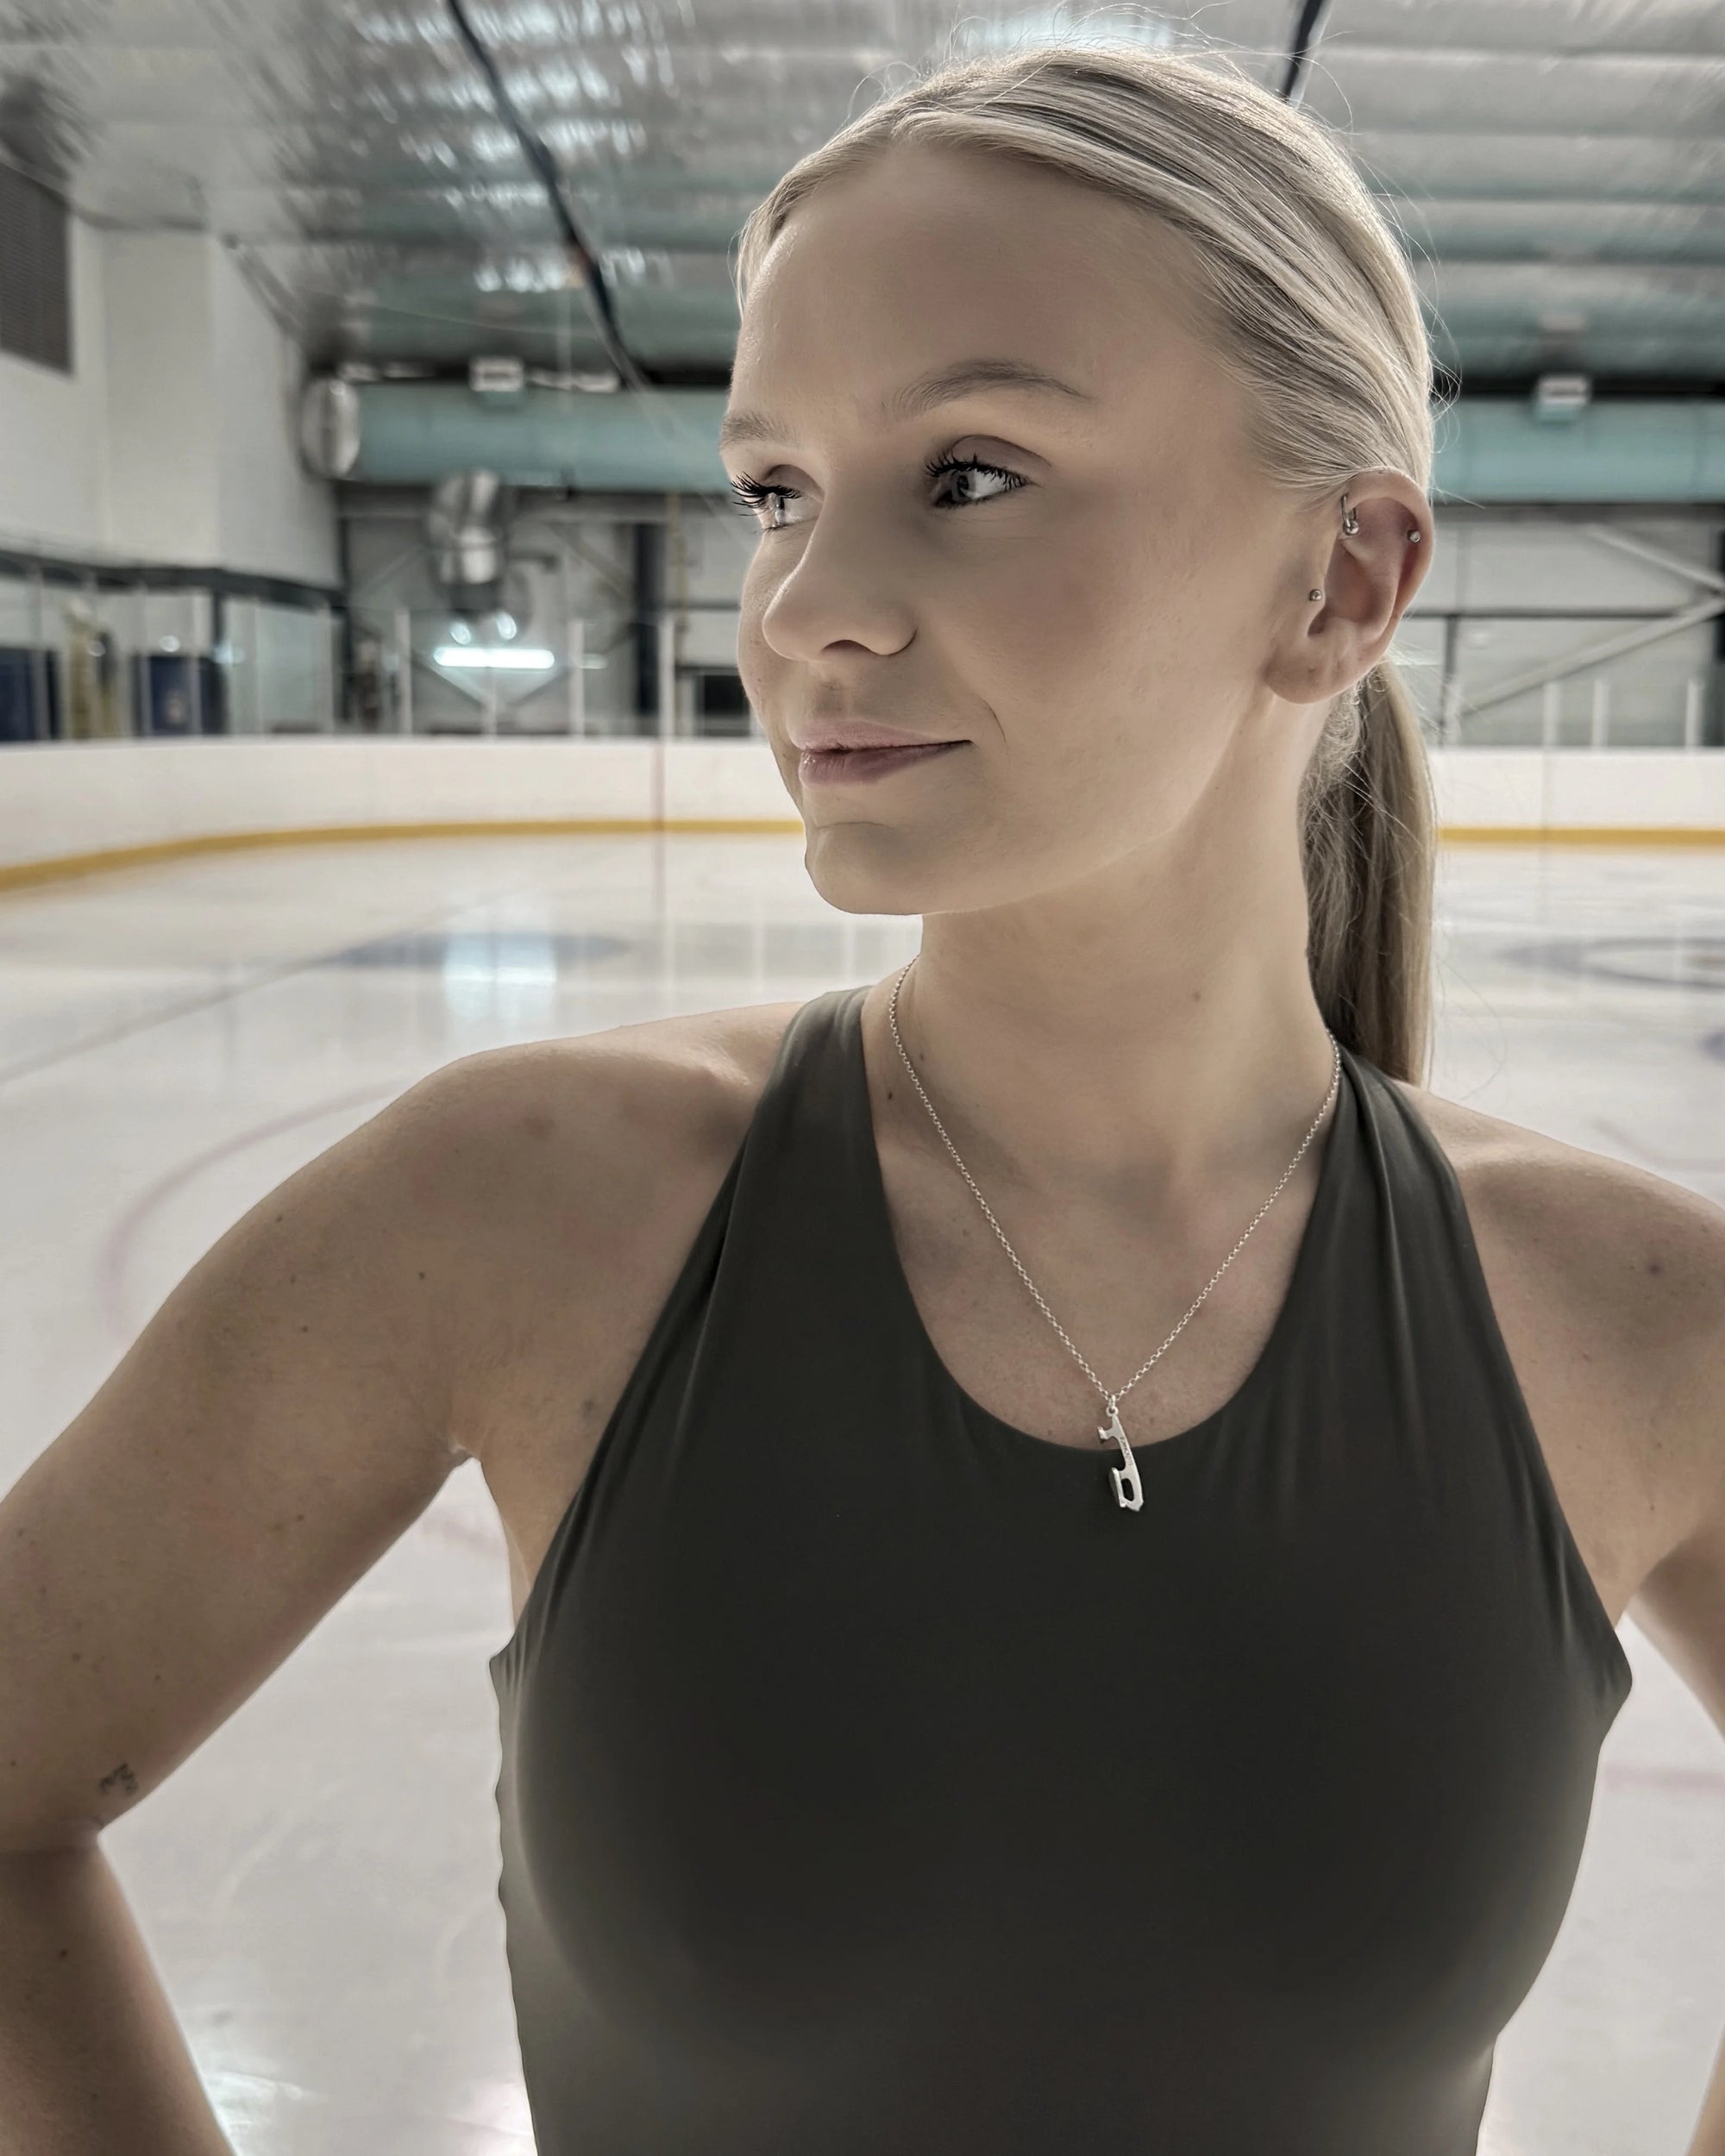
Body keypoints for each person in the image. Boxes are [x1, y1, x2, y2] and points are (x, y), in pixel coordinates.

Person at [3, 39, 1722, 2156]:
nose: (802, 606)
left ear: (1342, 580)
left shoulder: (1631, 1317)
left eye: (971, 473)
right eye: (773, 490)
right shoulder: (524, 1207)